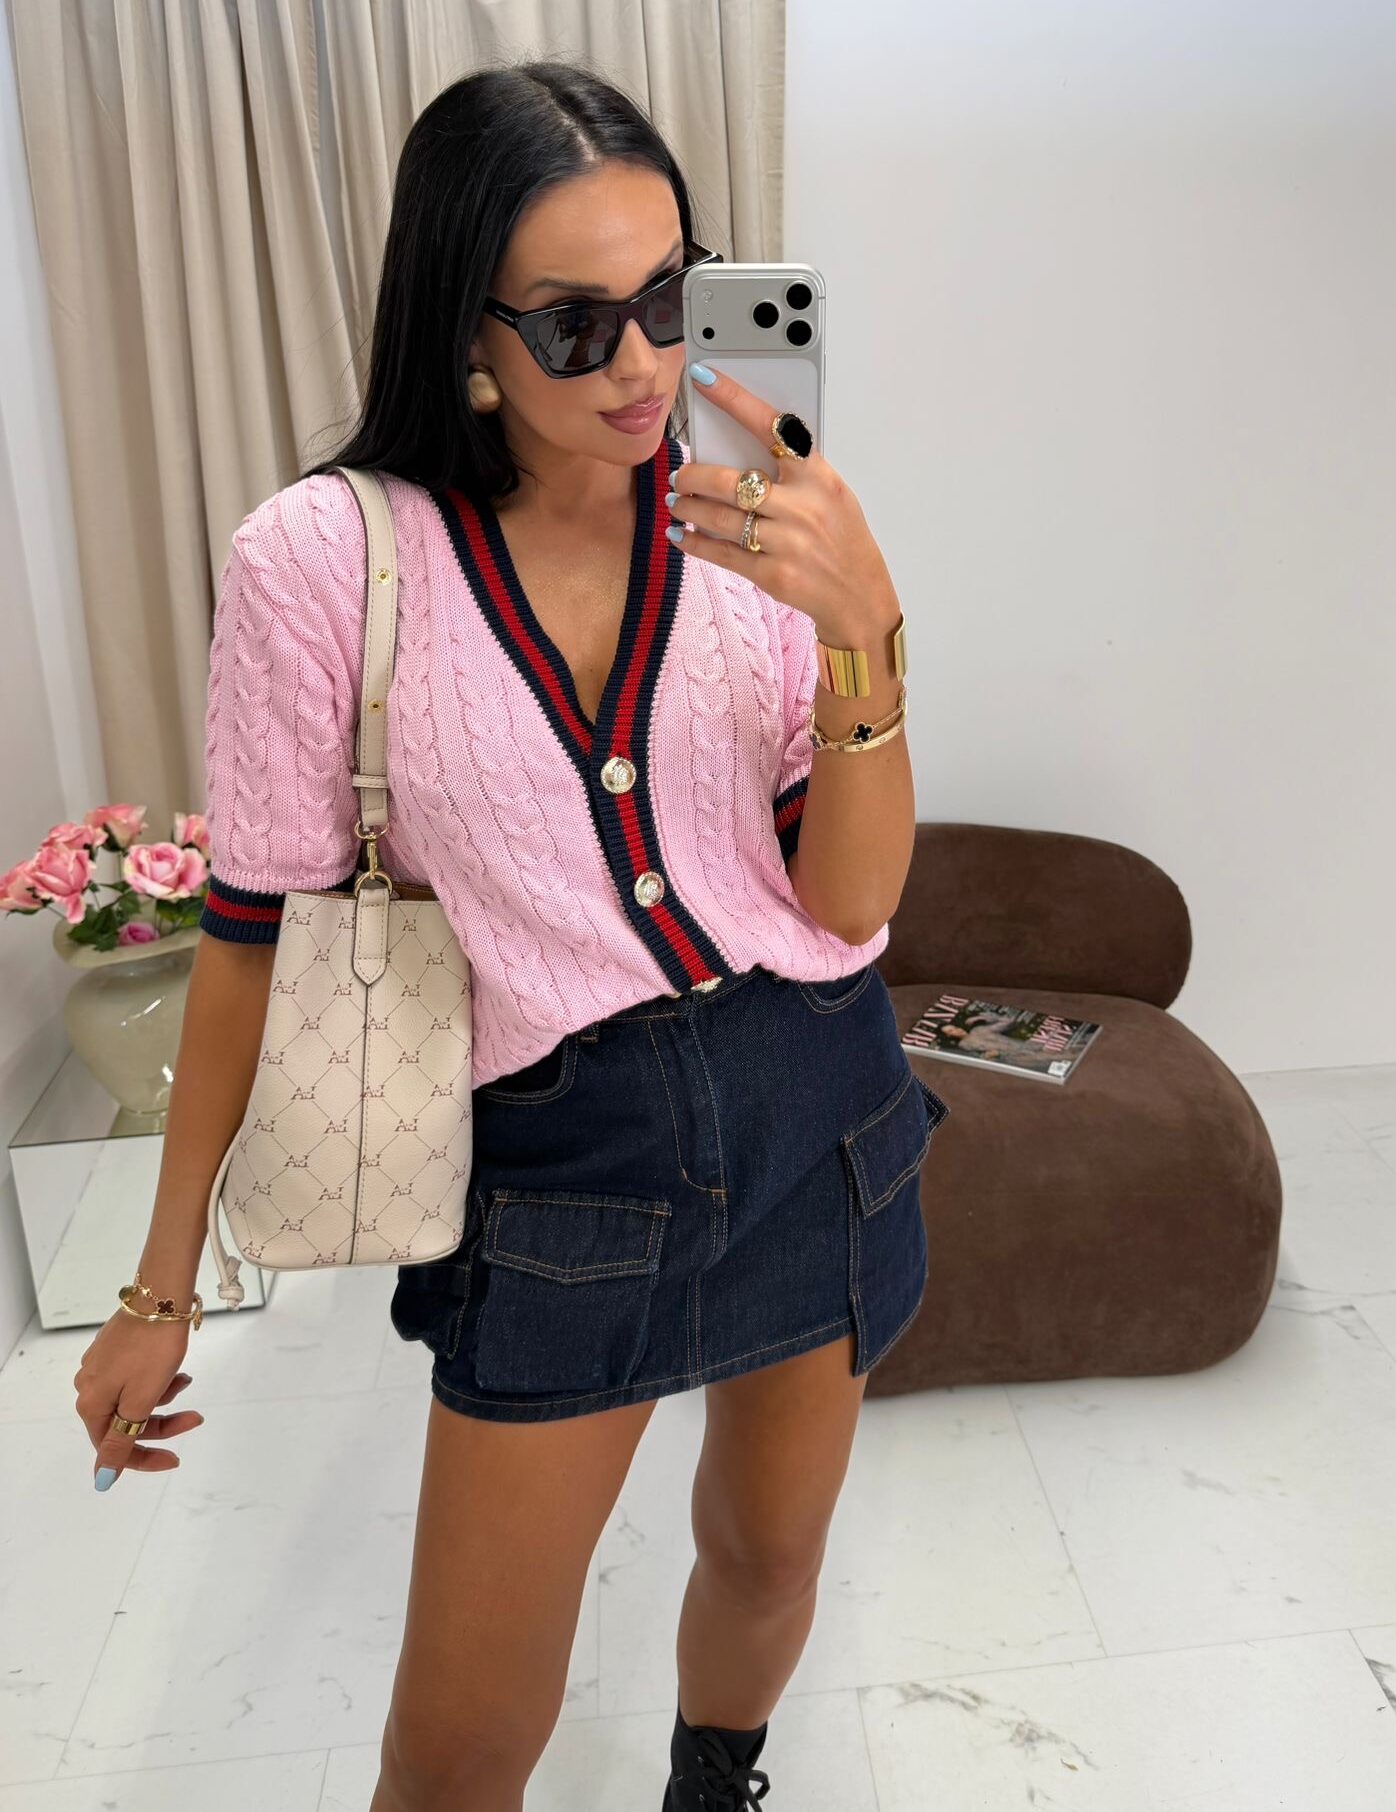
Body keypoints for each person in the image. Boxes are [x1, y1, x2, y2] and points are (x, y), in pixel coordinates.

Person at [71, 58, 948, 1812]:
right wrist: (162, 1287)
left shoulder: (756, 528)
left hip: (819, 1116)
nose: (642, 367)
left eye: (668, 297)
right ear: (463, 327)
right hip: (564, 1180)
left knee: (770, 1558)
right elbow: (250, 935)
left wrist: (866, 629)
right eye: (573, 325)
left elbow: (852, 902)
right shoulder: (325, 559)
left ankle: (716, 1781)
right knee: (460, 1744)